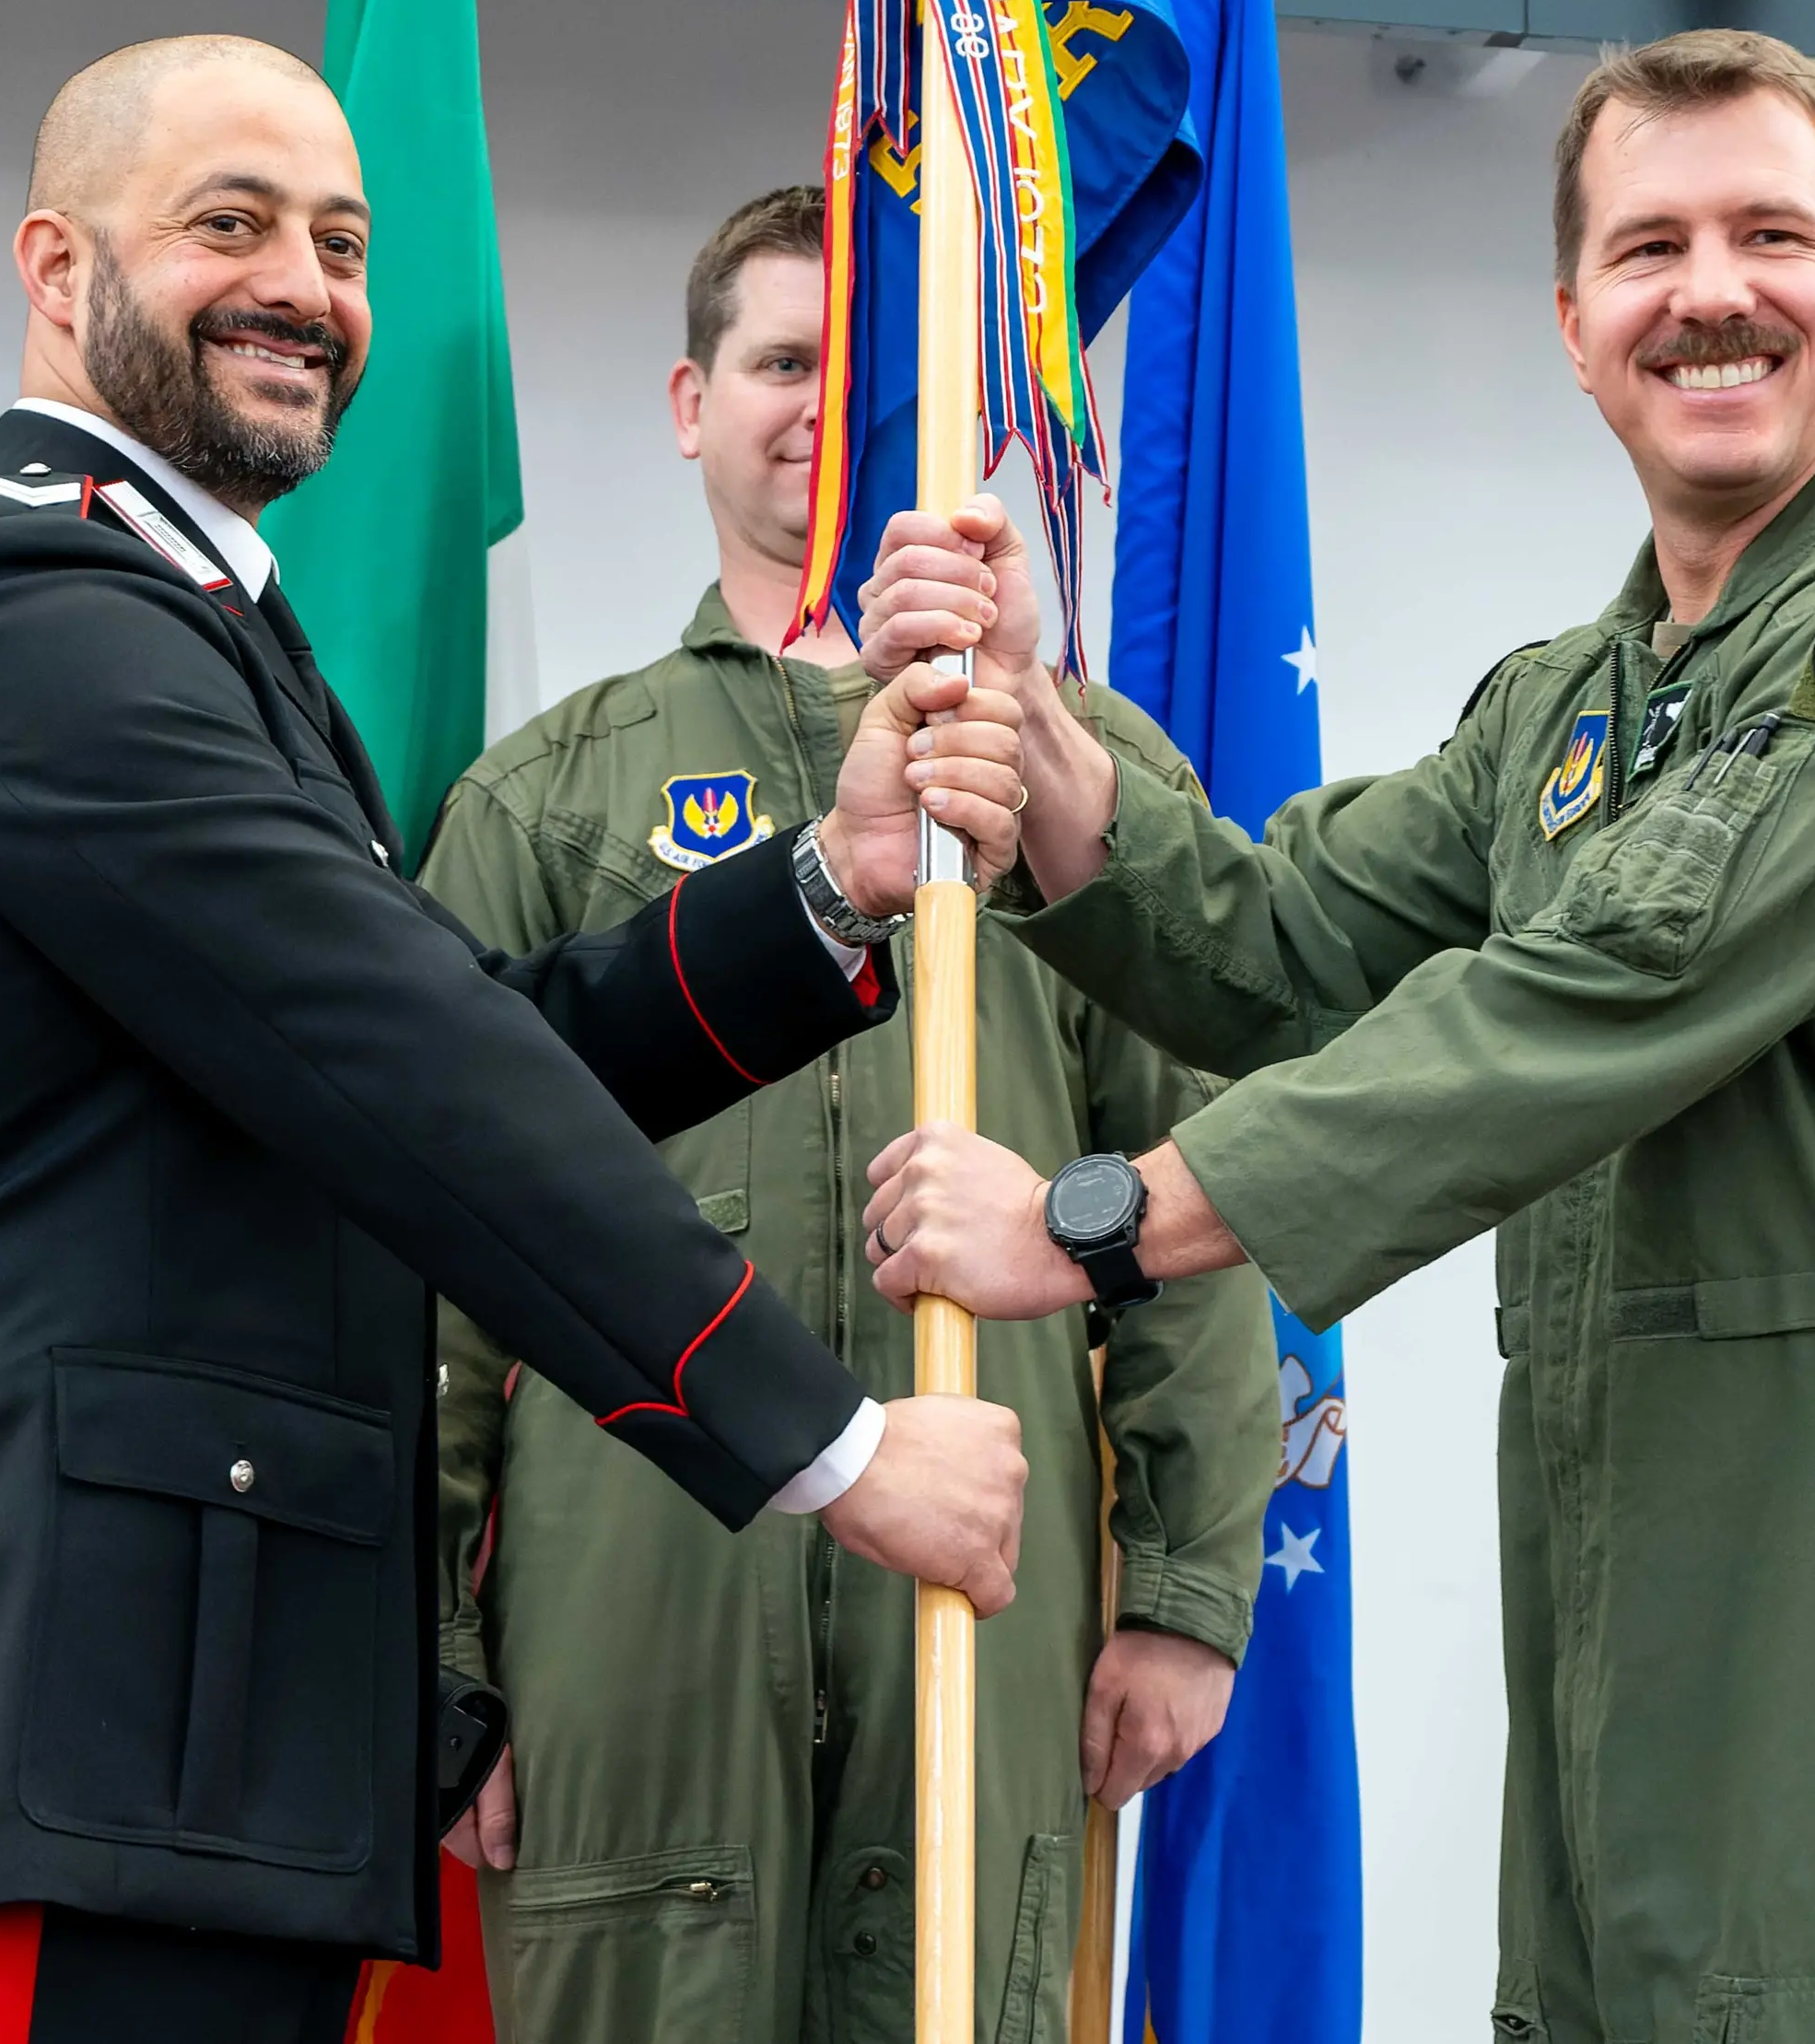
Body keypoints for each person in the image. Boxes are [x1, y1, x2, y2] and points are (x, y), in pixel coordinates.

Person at [856, 29, 1815, 2044]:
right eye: (1646, 247)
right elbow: (1287, 941)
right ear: (1572, 325)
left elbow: (1605, 986)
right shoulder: (1574, 701)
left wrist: (1102, 1220)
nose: (1706, 291)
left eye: (1766, 235)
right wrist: (1041, 740)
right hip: (1624, 1573)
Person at [0, 37, 1041, 2044]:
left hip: (183, 1753)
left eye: (342, 243)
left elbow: (447, 1034)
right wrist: (837, 1448)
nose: (307, 286)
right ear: (56, 266)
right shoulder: (31, 620)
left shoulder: (196, 626)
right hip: (52, 1749)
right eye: (229, 224)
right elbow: (409, 1059)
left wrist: (828, 887)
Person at [417, 188, 1278, 2043]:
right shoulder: (547, 798)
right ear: (685, 398)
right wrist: (436, 1643)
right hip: (631, 1592)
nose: (817, 406)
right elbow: (429, 1237)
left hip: (990, 1580)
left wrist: (1189, 1590)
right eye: (777, 360)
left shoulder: (1073, 776)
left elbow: (1196, 1190)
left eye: (863, 368)